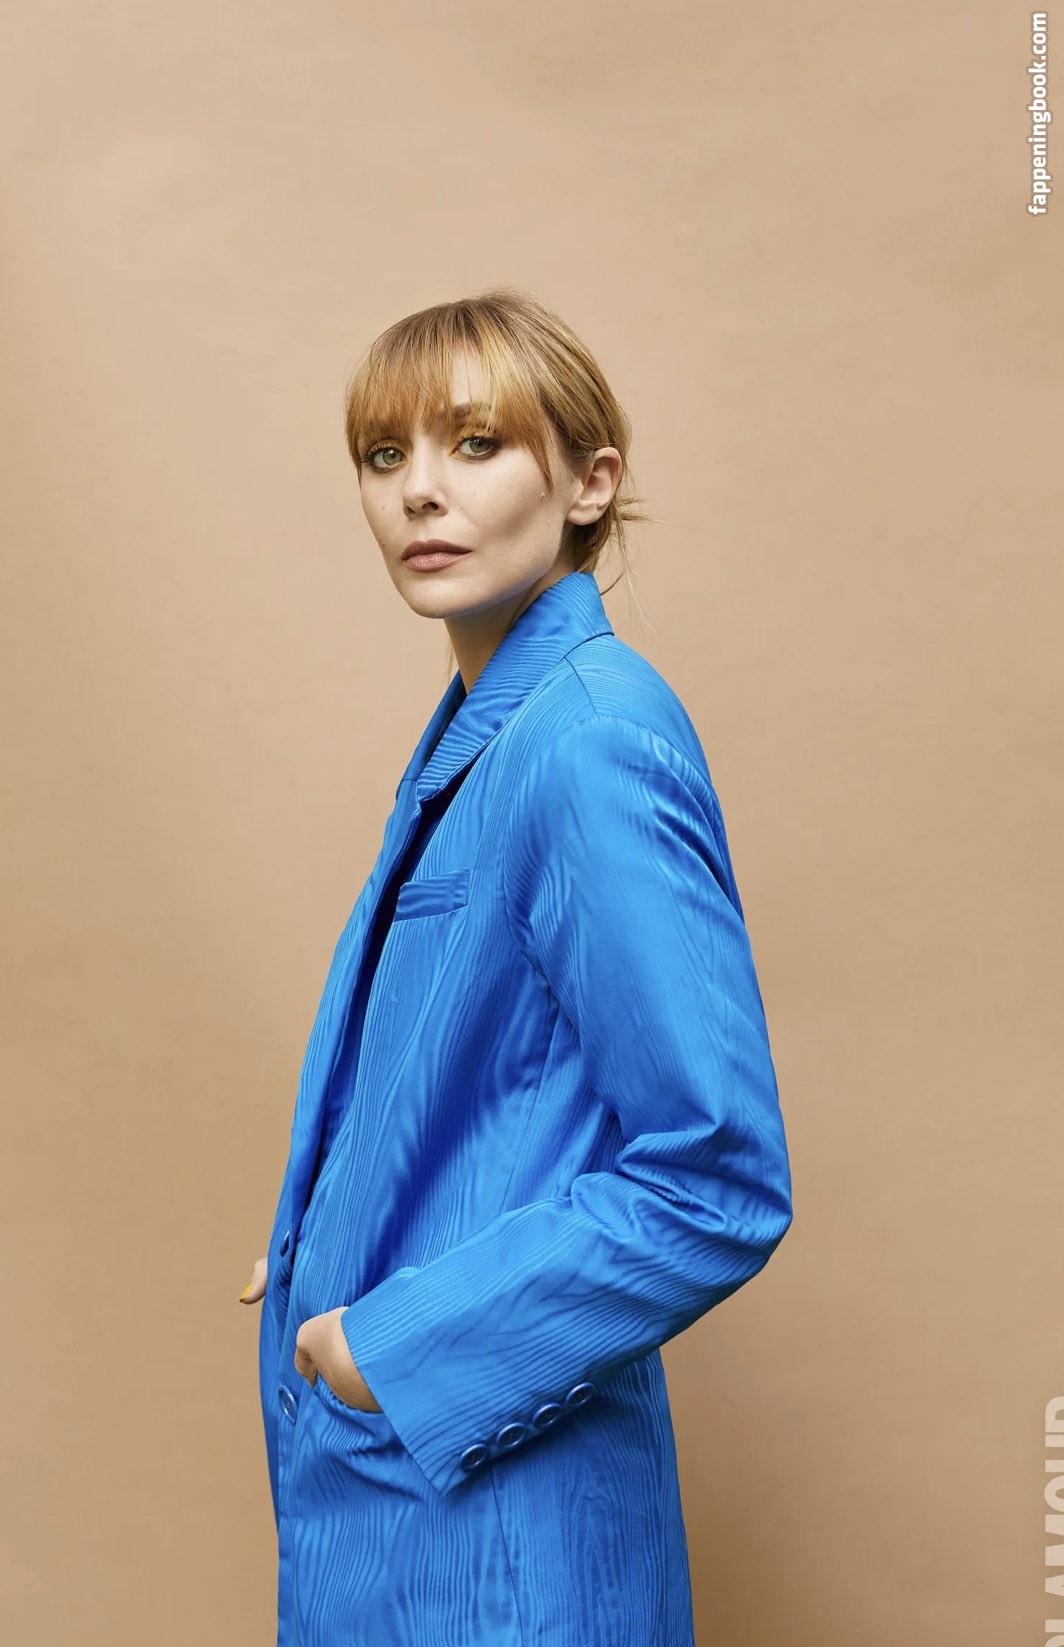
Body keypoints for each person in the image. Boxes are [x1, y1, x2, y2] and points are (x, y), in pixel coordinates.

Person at [239, 286, 794, 1647]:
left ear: (589, 483)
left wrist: (388, 1347)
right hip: (397, 1534)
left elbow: (717, 1176)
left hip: (501, 1556)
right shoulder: (490, 727)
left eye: (476, 445)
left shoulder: (588, 739)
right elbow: (498, 1080)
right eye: (385, 456)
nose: (420, 492)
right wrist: (330, 1237)